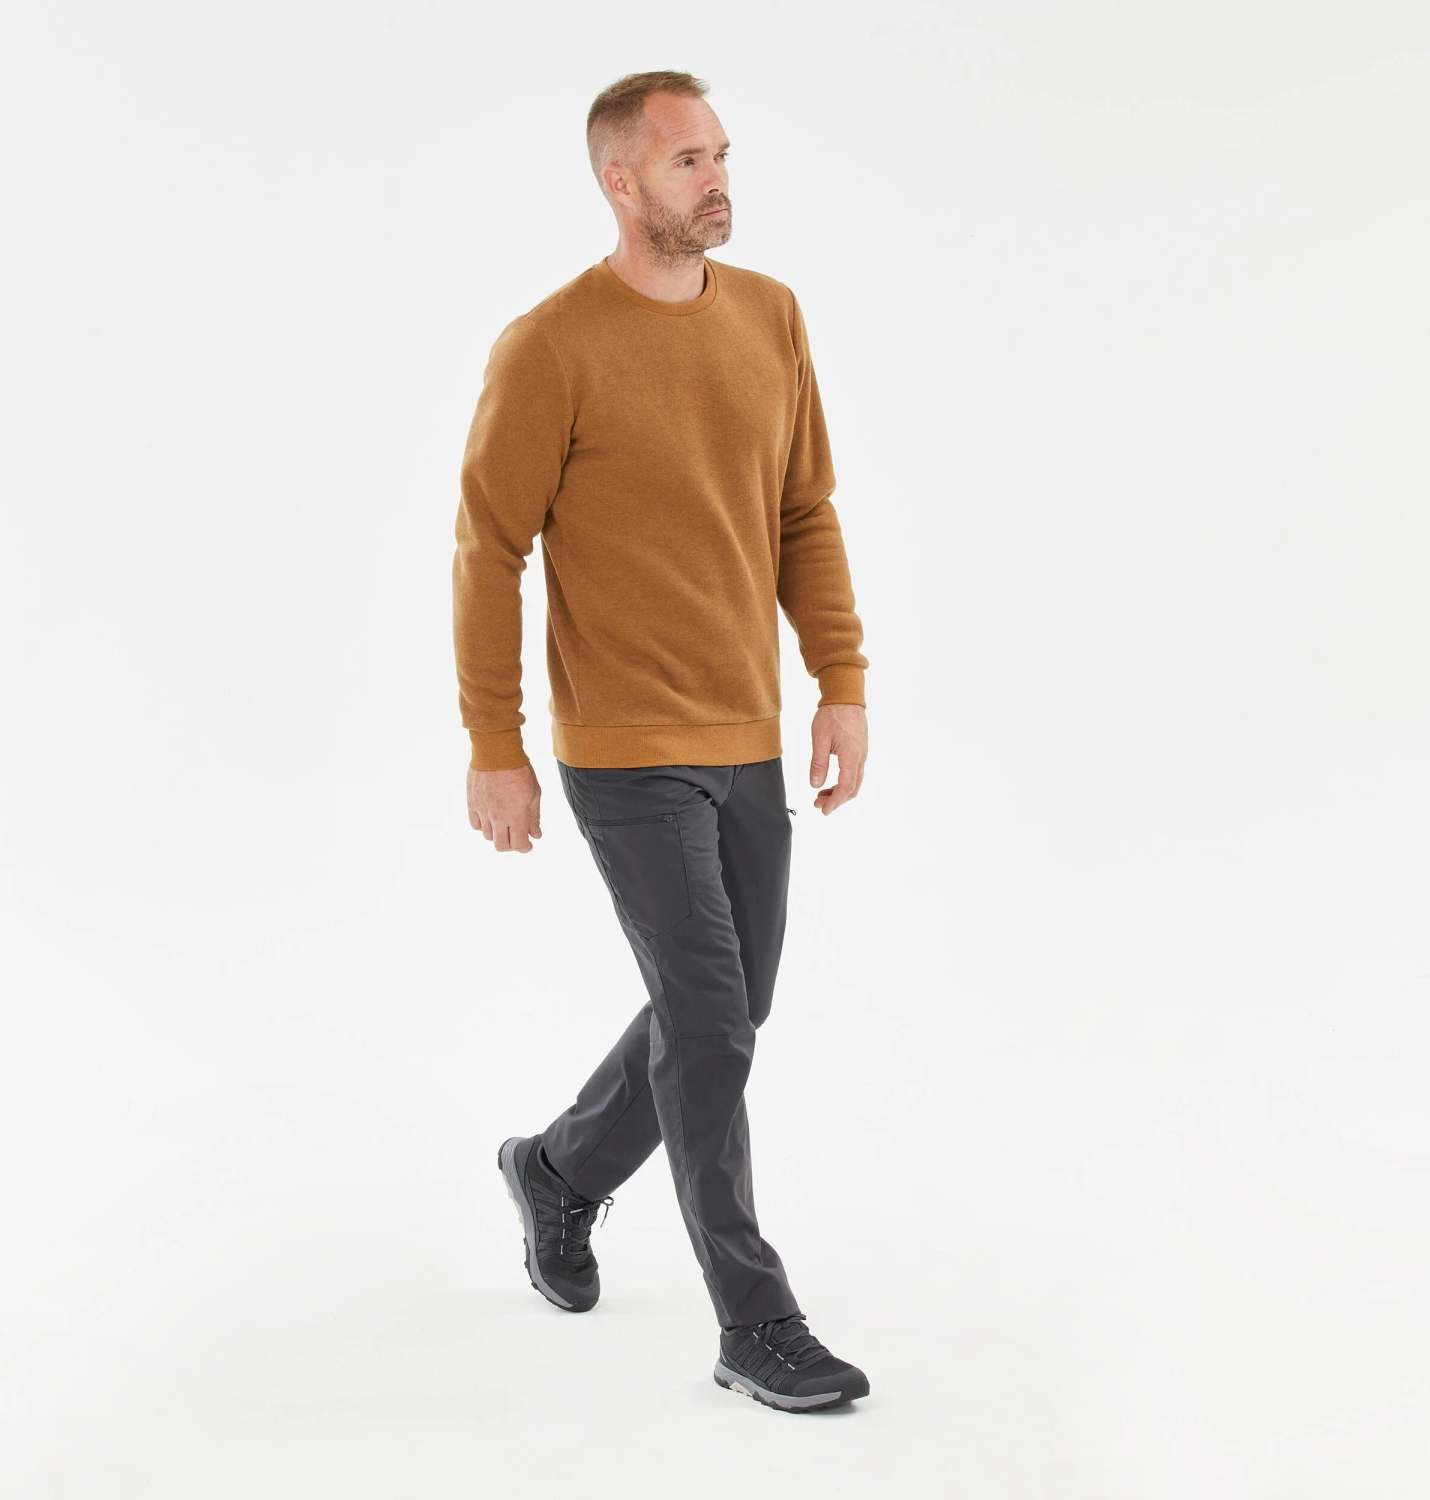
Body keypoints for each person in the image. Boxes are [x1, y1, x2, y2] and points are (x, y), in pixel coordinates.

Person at [451, 69, 872, 1413]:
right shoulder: (551, 346)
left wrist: (841, 679)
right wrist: (495, 741)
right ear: (620, 181)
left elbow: (804, 511)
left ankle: (558, 1171)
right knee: (709, 1018)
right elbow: (488, 548)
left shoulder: (772, 315)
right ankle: (756, 1320)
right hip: (624, 746)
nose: (717, 179)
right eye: (688, 161)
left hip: (747, 726)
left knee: (728, 1012)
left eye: (722, 154)